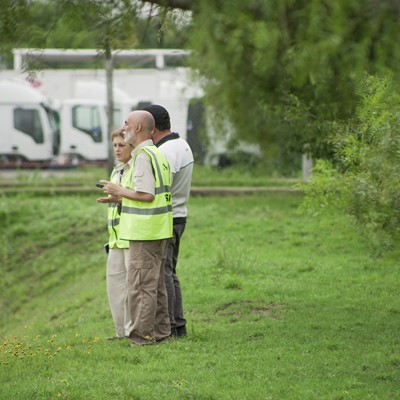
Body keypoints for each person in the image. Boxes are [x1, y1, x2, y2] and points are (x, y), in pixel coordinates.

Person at [101, 110, 173, 346]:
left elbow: (146, 195)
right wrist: (121, 199)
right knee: (157, 287)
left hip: (144, 231)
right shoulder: (156, 153)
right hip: (158, 228)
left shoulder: (142, 156)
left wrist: (119, 191)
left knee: (141, 287)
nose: (124, 128)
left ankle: (141, 338)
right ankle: (162, 333)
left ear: (138, 128)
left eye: (126, 123)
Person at [144, 104, 194, 338]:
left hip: (168, 216)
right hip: (179, 214)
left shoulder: (166, 151)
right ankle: (177, 325)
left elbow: (158, 186)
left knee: (165, 273)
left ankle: (173, 326)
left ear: (152, 129)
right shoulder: (182, 145)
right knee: (170, 271)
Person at [96, 128, 133, 340]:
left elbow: (141, 197)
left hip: (131, 236)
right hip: (115, 238)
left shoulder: (136, 168)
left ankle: (133, 332)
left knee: (131, 289)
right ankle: (121, 333)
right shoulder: (116, 170)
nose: (118, 150)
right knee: (115, 288)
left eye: (122, 145)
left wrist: (119, 197)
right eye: (115, 146)